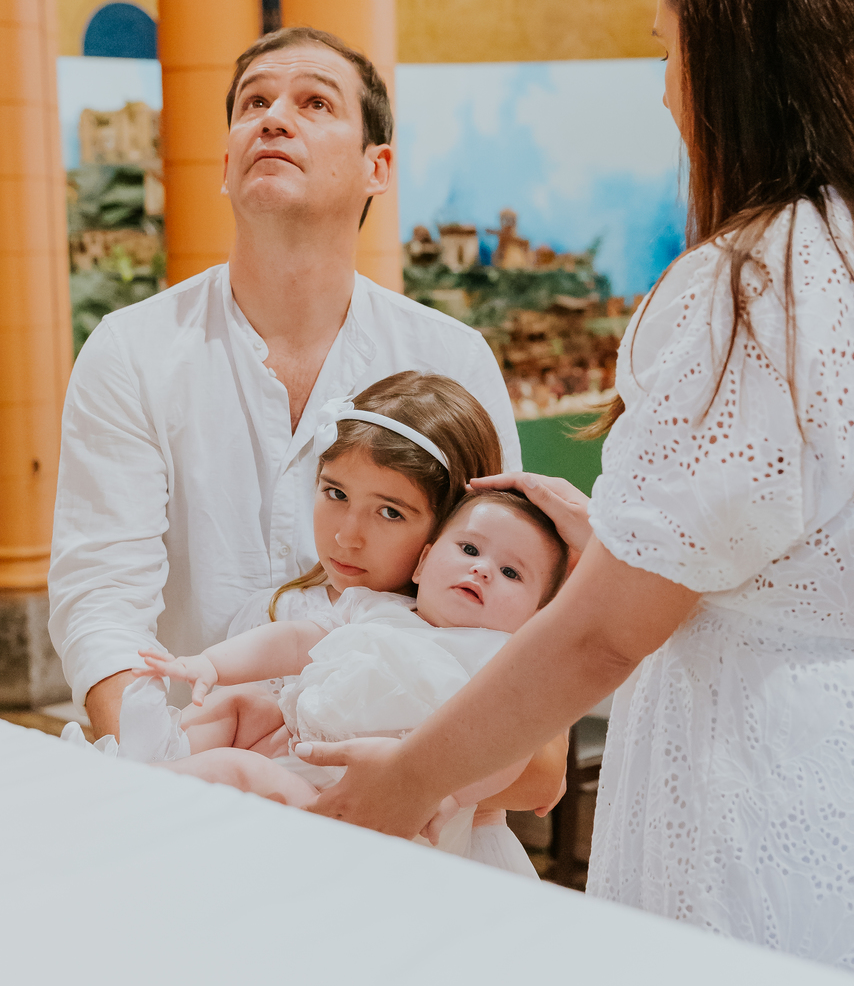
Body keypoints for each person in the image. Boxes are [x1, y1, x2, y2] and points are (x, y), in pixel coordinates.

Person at [296, 0, 854, 986]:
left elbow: (606, 633)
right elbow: (832, 540)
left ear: (751, 63)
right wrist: (617, 532)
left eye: (672, 53)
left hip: (769, 775)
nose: (665, 95)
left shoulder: (758, 280)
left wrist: (404, 782)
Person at [48, 26, 524, 744]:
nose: (273, 118)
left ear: (378, 168)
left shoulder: (450, 358)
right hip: (199, 771)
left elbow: (506, 595)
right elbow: (101, 600)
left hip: (404, 775)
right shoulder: (133, 351)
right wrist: (159, 763)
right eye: (254, 102)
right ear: (226, 162)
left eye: (314, 104)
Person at [109, 370, 566, 868]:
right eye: (335, 493)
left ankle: (129, 797)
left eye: (390, 512)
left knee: (235, 767)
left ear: (447, 521)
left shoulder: (501, 647)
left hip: (402, 837)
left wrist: (445, 793)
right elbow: (288, 647)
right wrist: (210, 666)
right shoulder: (320, 611)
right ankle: (153, 756)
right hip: (280, 819)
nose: (348, 537)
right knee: (238, 707)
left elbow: (532, 768)